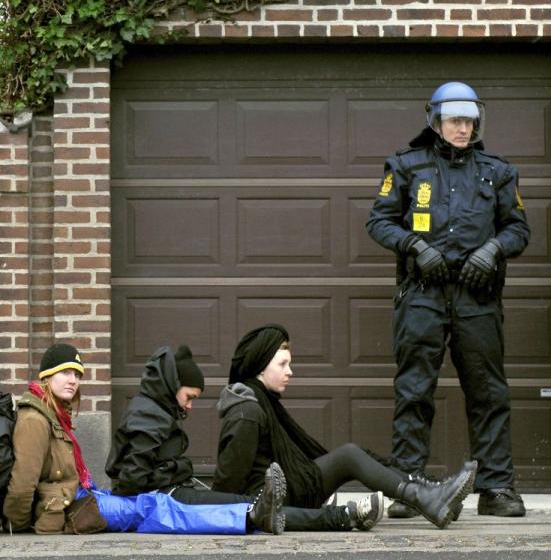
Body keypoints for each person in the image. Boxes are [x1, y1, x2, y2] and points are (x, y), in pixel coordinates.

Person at [366, 81, 530, 518]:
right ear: (436, 121)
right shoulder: (405, 166)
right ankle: (408, 488)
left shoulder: (497, 171)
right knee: (414, 390)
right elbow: (378, 222)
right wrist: (415, 247)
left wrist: (493, 250)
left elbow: (519, 229)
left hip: (477, 298)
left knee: (488, 393)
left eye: (469, 120)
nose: (463, 128)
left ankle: (497, 489)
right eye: (455, 120)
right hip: (423, 296)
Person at [213, 324, 477, 530]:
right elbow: (229, 484)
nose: (290, 371)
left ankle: (430, 495)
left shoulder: (260, 401)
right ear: (260, 368)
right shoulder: (247, 411)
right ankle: (427, 498)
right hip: (272, 501)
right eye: (283, 364)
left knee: (352, 454)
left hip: (289, 489)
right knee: (348, 455)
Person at [3, 343, 285, 535]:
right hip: (65, 509)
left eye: (77, 374)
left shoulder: (53, 414)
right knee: (153, 507)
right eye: (65, 373)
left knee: (150, 502)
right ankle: (248, 517)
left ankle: (249, 513)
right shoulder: (34, 420)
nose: (73, 380)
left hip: (81, 497)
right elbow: (22, 483)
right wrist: (22, 527)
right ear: (47, 376)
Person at [105, 343, 286, 534]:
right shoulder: (148, 414)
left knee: (244, 504)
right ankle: (317, 518)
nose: (190, 406)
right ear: (172, 386)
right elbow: (134, 476)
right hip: (165, 497)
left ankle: (303, 515)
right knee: (246, 505)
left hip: (170, 492)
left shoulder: (152, 409)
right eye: (188, 397)